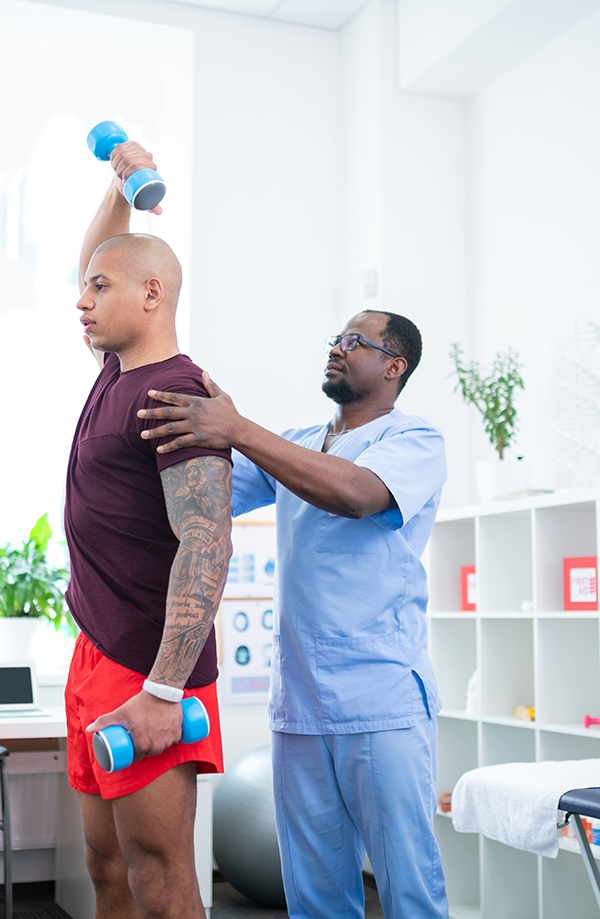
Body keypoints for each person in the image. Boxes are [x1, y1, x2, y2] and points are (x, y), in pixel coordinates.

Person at [82, 143, 449, 919]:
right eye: (335, 335)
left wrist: (236, 426)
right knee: (315, 892)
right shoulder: (299, 439)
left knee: (409, 887)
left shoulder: (413, 441)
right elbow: (196, 499)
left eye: (357, 340)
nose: (337, 345)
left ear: (396, 365)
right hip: (302, 705)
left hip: (380, 700)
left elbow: (355, 494)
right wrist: (200, 433)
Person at [66, 227, 232, 919]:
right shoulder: (116, 373)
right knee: (106, 868)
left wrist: (164, 689)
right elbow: (103, 250)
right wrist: (124, 180)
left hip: (149, 663)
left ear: (152, 293)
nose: (83, 300)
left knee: (161, 881)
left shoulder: (176, 391)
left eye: (100, 288)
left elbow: (206, 541)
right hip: (94, 651)